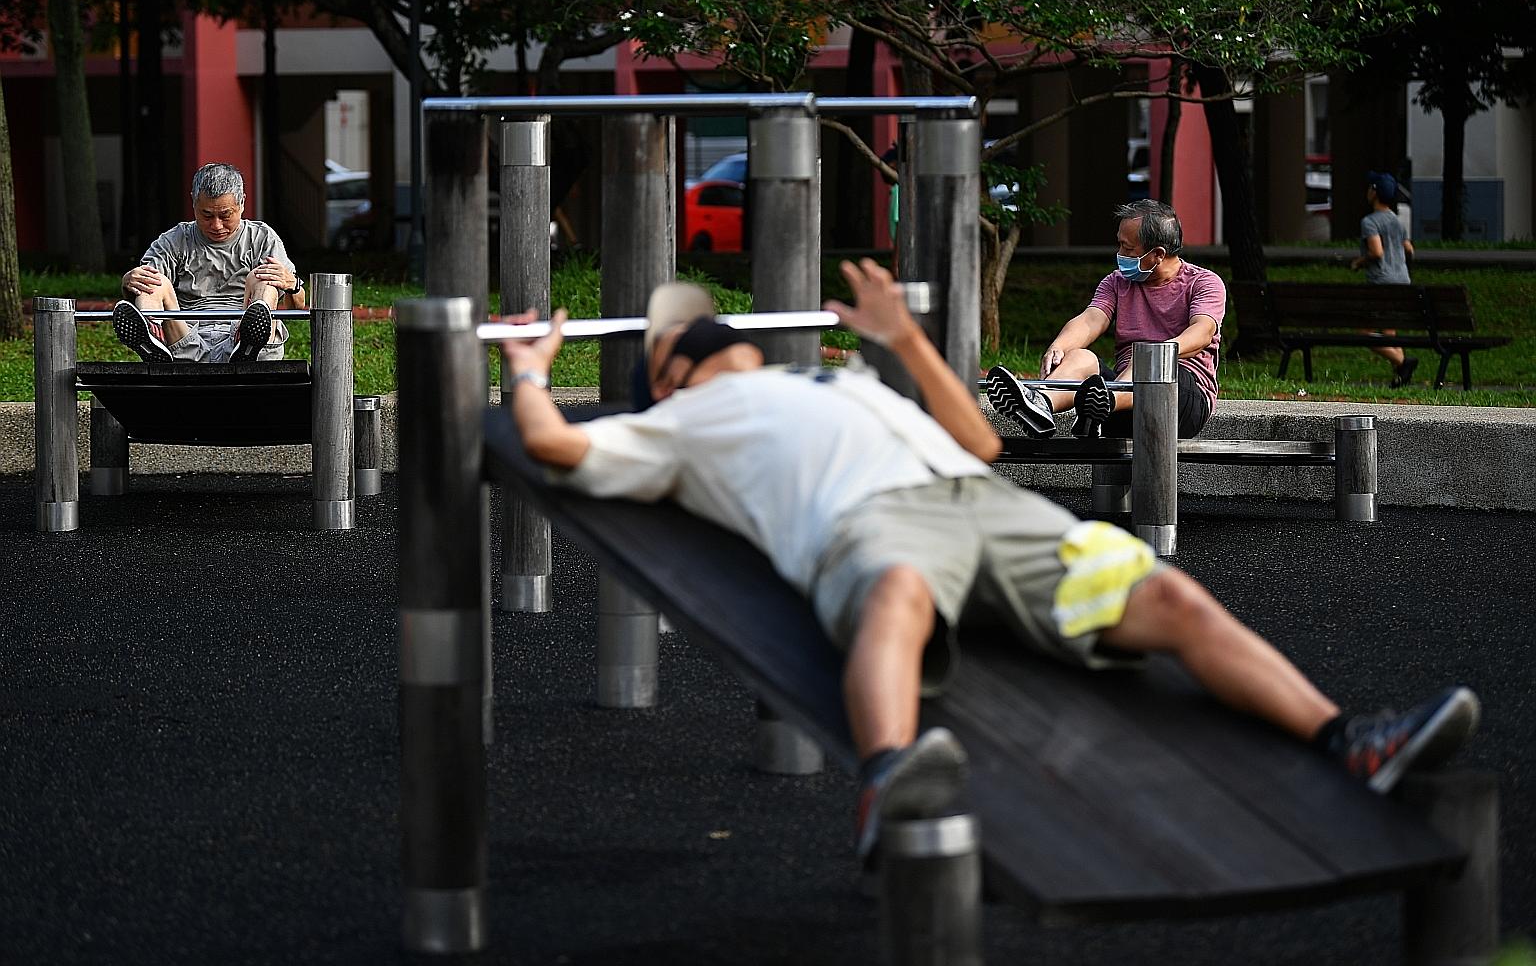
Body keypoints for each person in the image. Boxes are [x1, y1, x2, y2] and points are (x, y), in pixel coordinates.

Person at [499, 259, 1478, 868]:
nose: (715, 348)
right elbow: (553, 445)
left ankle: (1349, 738)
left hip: (984, 507)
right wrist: (531, 376)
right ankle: (887, 776)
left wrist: (904, 341)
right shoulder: (671, 426)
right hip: (869, 523)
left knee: (1169, 593)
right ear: (668, 378)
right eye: (694, 346)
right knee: (895, 591)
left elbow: (979, 441)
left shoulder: (840, 385)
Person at [984, 199, 1224, 441]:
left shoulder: (1203, 282)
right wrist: (1060, 346)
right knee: (1080, 356)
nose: (1120, 255)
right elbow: (1091, 319)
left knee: (1147, 361)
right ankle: (1041, 404)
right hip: (1123, 399)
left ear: (1158, 254)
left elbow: (1202, 331)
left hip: (1182, 402)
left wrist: (1157, 355)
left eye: (1127, 249)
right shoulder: (1117, 281)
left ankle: (1101, 407)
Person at [113, 162, 303, 364]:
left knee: (263, 276)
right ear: (194, 203)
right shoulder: (175, 240)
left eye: (225, 215)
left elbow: (297, 307)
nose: (216, 225)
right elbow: (143, 289)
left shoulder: (262, 237)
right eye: (207, 215)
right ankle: (152, 336)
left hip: (240, 338)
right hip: (185, 339)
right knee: (152, 279)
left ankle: (249, 344)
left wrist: (293, 284)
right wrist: (129, 282)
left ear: (242, 204)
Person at [1350, 170, 1419, 388]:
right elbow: (1409, 250)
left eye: (1370, 187)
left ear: (1374, 193)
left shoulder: (1370, 221)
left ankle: (1402, 362)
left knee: (1364, 332)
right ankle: (1401, 377)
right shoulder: (1397, 222)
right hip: (1402, 281)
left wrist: (1359, 262)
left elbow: (1377, 252)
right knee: (1390, 332)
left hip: (1382, 283)